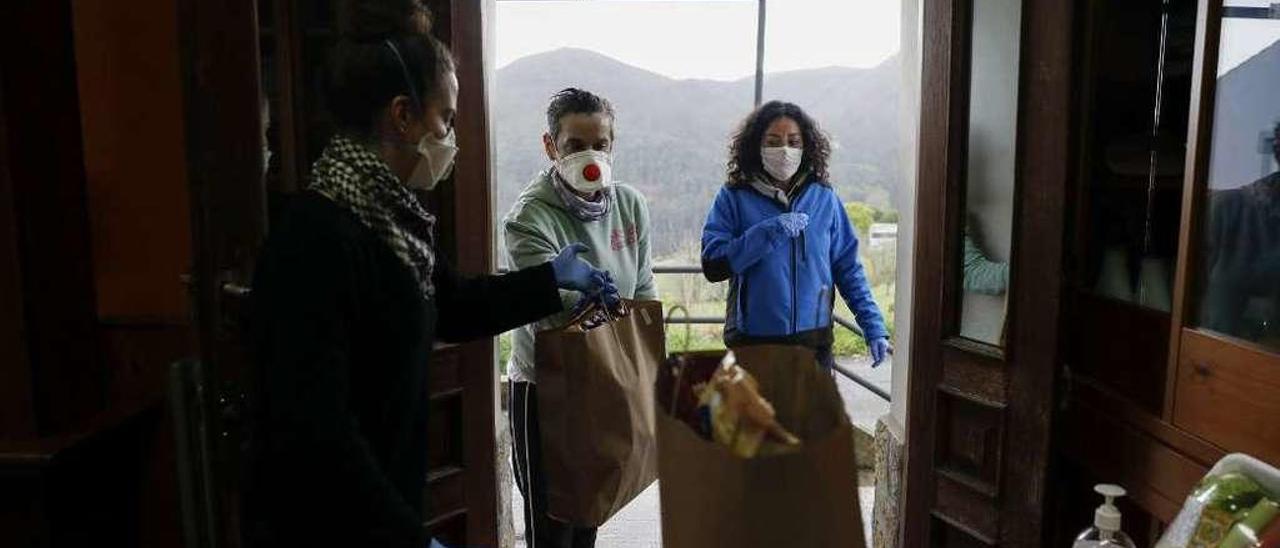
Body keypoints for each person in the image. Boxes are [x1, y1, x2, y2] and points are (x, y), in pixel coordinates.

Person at [242, 3, 617, 547]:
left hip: (381, 511)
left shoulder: (393, 218)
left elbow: (455, 304)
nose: (448, 135)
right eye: (445, 118)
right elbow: (317, 428)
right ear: (402, 115)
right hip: (326, 524)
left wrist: (548, 279)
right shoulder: (317, 238)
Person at [502, 88, 656, 548]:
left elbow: (643, 289)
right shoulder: (530, 218)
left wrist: (646, 369)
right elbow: (549, 322)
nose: (590, 155)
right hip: (547, 389)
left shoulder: (630, 206)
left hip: (606, 379)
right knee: (552, 523)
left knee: (590, 509)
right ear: (551, 147)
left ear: (613, 143)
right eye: (574, 145)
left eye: (601, 143)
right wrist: (588, 302)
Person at [701, 100, 891, 369]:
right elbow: (713, 264)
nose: (784, 150)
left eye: (793, 141)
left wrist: (874, 326)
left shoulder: (824, 198)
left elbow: (848, 268)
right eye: (774, 141)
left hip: (813, 344)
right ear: (757, 145)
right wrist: (767, 233)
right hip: (754, 344)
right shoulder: (733, 196)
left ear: (806, 147)